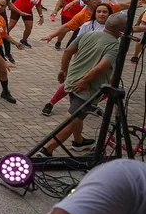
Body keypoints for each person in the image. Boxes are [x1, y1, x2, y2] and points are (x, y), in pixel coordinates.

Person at [39, 11, 129, 157]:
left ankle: (78, 141)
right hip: (86, 87)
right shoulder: (114, 45)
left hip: (72, 81)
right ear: (122, 30)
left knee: (77, 116)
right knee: (71, 119)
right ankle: (47, 150)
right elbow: (101, 67)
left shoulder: (89, 34)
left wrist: (63, 70)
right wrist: (85, 81)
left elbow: (68, 50)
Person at [38, 2, 115, 116]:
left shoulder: (113, 29)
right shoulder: (87, 25)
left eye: (105, 12)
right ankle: (51, 103)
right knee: (72, 83)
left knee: (109, 87)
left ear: (110, 15)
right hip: (85, 60)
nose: (101, 14)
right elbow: (75, 45)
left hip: (103, 62)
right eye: (99, 11)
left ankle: (90, 104)